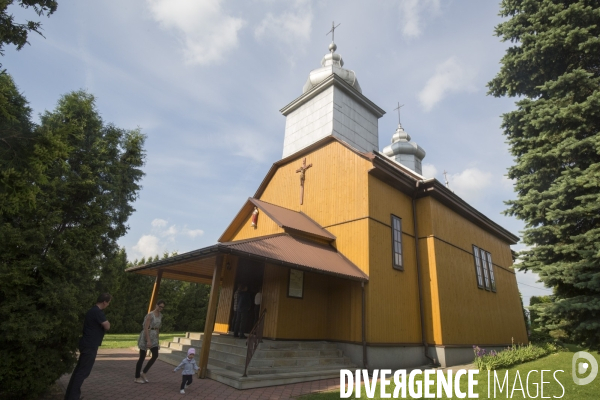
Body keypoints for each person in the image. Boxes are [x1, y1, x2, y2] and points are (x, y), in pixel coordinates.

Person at [64, 293, 111, 400]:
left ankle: (70, 395)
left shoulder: (92, 311)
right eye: (108, 302)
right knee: (83, 372)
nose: (108, 305)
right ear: (104, 302)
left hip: (87, 343)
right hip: (90, 345)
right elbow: (107, 326)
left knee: (79, 371)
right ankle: (73, 397)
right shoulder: (97, 312)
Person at [134, 299, 165, 383]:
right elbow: (146, 328)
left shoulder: (160, 315)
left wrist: (157, 340)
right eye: (159, 306)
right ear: (156, 305)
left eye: (162, 307)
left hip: (154, 336)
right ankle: (137, 377)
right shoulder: (150, 315)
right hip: (146, 335)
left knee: (155, 355)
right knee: (142, 357)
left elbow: (158, 328)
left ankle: (144, 372)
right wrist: (148, 340)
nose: (160, 308)